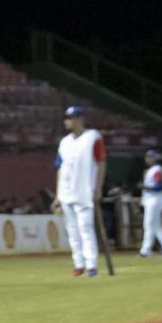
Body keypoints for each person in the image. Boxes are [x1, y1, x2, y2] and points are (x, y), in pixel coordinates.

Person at [54, 105, 106, 278]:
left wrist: (98, 188)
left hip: (84, 191)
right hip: (66, 192)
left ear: (80, 119)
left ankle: (91, 264)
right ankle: (79, 264)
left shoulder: (92, 137)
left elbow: (101, 163)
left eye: (71, 117)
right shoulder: (64, 142)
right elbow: (60, 168)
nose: (67, 121)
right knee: (72, 231)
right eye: (67, 118)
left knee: (86, 228)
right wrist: (57, 194)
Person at [137, 148, 162, 256]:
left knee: (148, 224)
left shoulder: (157, 169)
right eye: (147, 157)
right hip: (152, 199)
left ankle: (145, 250)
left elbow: (160, 186)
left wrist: (146, 186)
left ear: (155, 158)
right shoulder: (151, 170)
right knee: (157, 226)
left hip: (155, 199)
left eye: (150, 157)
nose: (147, 159)